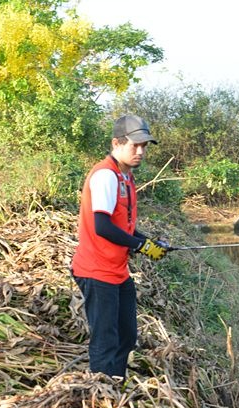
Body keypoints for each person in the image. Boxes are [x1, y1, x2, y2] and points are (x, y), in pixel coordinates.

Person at [71, 114, 170, 379]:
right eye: (134, 145)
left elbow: (123, 225)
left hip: (116, 270)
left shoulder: (125, 177)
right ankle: (102, 397)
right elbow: (101, 226)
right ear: (116, 143)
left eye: (144, 146)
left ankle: (117, 385)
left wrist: (148, 243)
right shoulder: (106, 175)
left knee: (127, 335)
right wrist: (140, 246)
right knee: (106, 340)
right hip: (96, 270)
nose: (140, 151)